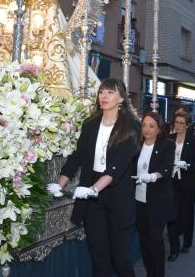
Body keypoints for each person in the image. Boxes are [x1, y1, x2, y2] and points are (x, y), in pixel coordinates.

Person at [47, 78, 140, 277]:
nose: (104, 96)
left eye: (110, 92)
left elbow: (117, 167)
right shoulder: (90, 124)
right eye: (102, 92)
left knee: (120, 260)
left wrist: (93, 189)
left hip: (116, 195)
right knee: (99, 258)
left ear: (122, 98)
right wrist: (59, 184)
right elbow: (77, 157)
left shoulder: (131, 126)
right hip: (93, 201)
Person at [135, 112, 175, 277]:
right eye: (144, 125)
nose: (147, 129)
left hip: (157, 200)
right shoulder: (136, 145)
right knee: (143, 240)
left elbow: (166, 167)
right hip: (139, 200)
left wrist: (153, 176)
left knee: (155, 240)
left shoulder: (167, 145)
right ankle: (149, 272)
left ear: (159, 129)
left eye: (151, 126)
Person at [167, 113, 195, 261]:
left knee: (187, 214)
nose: (179, 125)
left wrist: (187, 165)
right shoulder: (169, 139)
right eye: (176, 122)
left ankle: (187, 243)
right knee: (172, 215)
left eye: (182, 123)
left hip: (188, 184)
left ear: (187, 125)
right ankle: (174, 249)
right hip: (172, 183)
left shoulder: (194, 141)